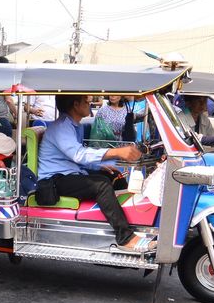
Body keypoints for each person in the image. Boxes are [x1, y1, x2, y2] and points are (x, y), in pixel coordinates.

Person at [37, 94, 149, 252]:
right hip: (54, 181)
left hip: (69, 175)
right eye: (87, 102)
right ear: (76, 104)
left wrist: (99, 167)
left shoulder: (75, 125)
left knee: (113, 176)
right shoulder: (61, 127)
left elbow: (75, 157)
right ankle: (125, 237)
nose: (90, 104)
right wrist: (117, 152)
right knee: (101, 185)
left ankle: (128, 221)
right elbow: (78, 154)